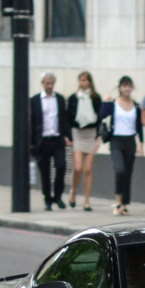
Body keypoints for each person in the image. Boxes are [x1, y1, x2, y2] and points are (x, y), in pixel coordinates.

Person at [98, 76, 144, 216]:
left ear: (132, 88)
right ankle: (118, 201)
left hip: (130, 141)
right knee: (120, 170)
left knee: (128, 173)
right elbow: (102, 115)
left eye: (129, 86)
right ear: (119, 88)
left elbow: (139, 126)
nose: (127, 88)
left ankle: (124, 205)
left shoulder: (136, 106)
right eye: (124, 86)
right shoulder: (113, 103)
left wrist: (140, 143)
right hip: (116, 141)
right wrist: (104, 102)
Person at [29, 71, 72, 210]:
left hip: (57, 139)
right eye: (47, 83)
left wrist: (68, 136)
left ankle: (58, 196)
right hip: (42, 141)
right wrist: (32, 143)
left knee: (61, 167)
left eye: (52, 83)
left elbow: (64, 119)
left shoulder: (59, 99)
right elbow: (32, 122)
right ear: (43, 84)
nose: (50, 86)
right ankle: (47, 199)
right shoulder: (35, 100)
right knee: (45, 172)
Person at [67, 71, 102, 212]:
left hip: (91, 133)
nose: (83, 83)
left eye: (85, 80)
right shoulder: (74, 98)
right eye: (81, 80)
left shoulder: (95, 98)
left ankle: (87, 200)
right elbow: (68, 117)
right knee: (78, 168)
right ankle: (73, 191)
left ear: (90, 82)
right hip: (77, 133)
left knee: (88, 169)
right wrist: (68, 136)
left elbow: (100, 118)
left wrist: (99, 137)